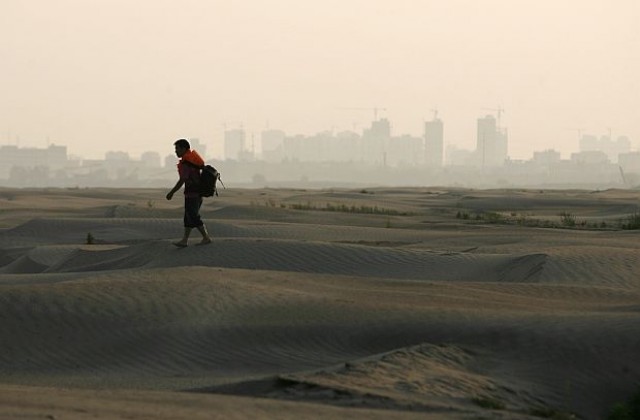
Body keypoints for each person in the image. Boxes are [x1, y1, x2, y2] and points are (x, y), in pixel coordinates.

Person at [166, 139, 212, 247]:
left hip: (193, 194)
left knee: (193, 217)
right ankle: (184, 240)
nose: (176, 151)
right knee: (188, 218)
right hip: (195, 193)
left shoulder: (186, 163)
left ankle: (206, 237)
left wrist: (171, 192)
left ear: (183, 149)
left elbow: (182, 180)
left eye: (177, 149)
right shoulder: (191, 161)